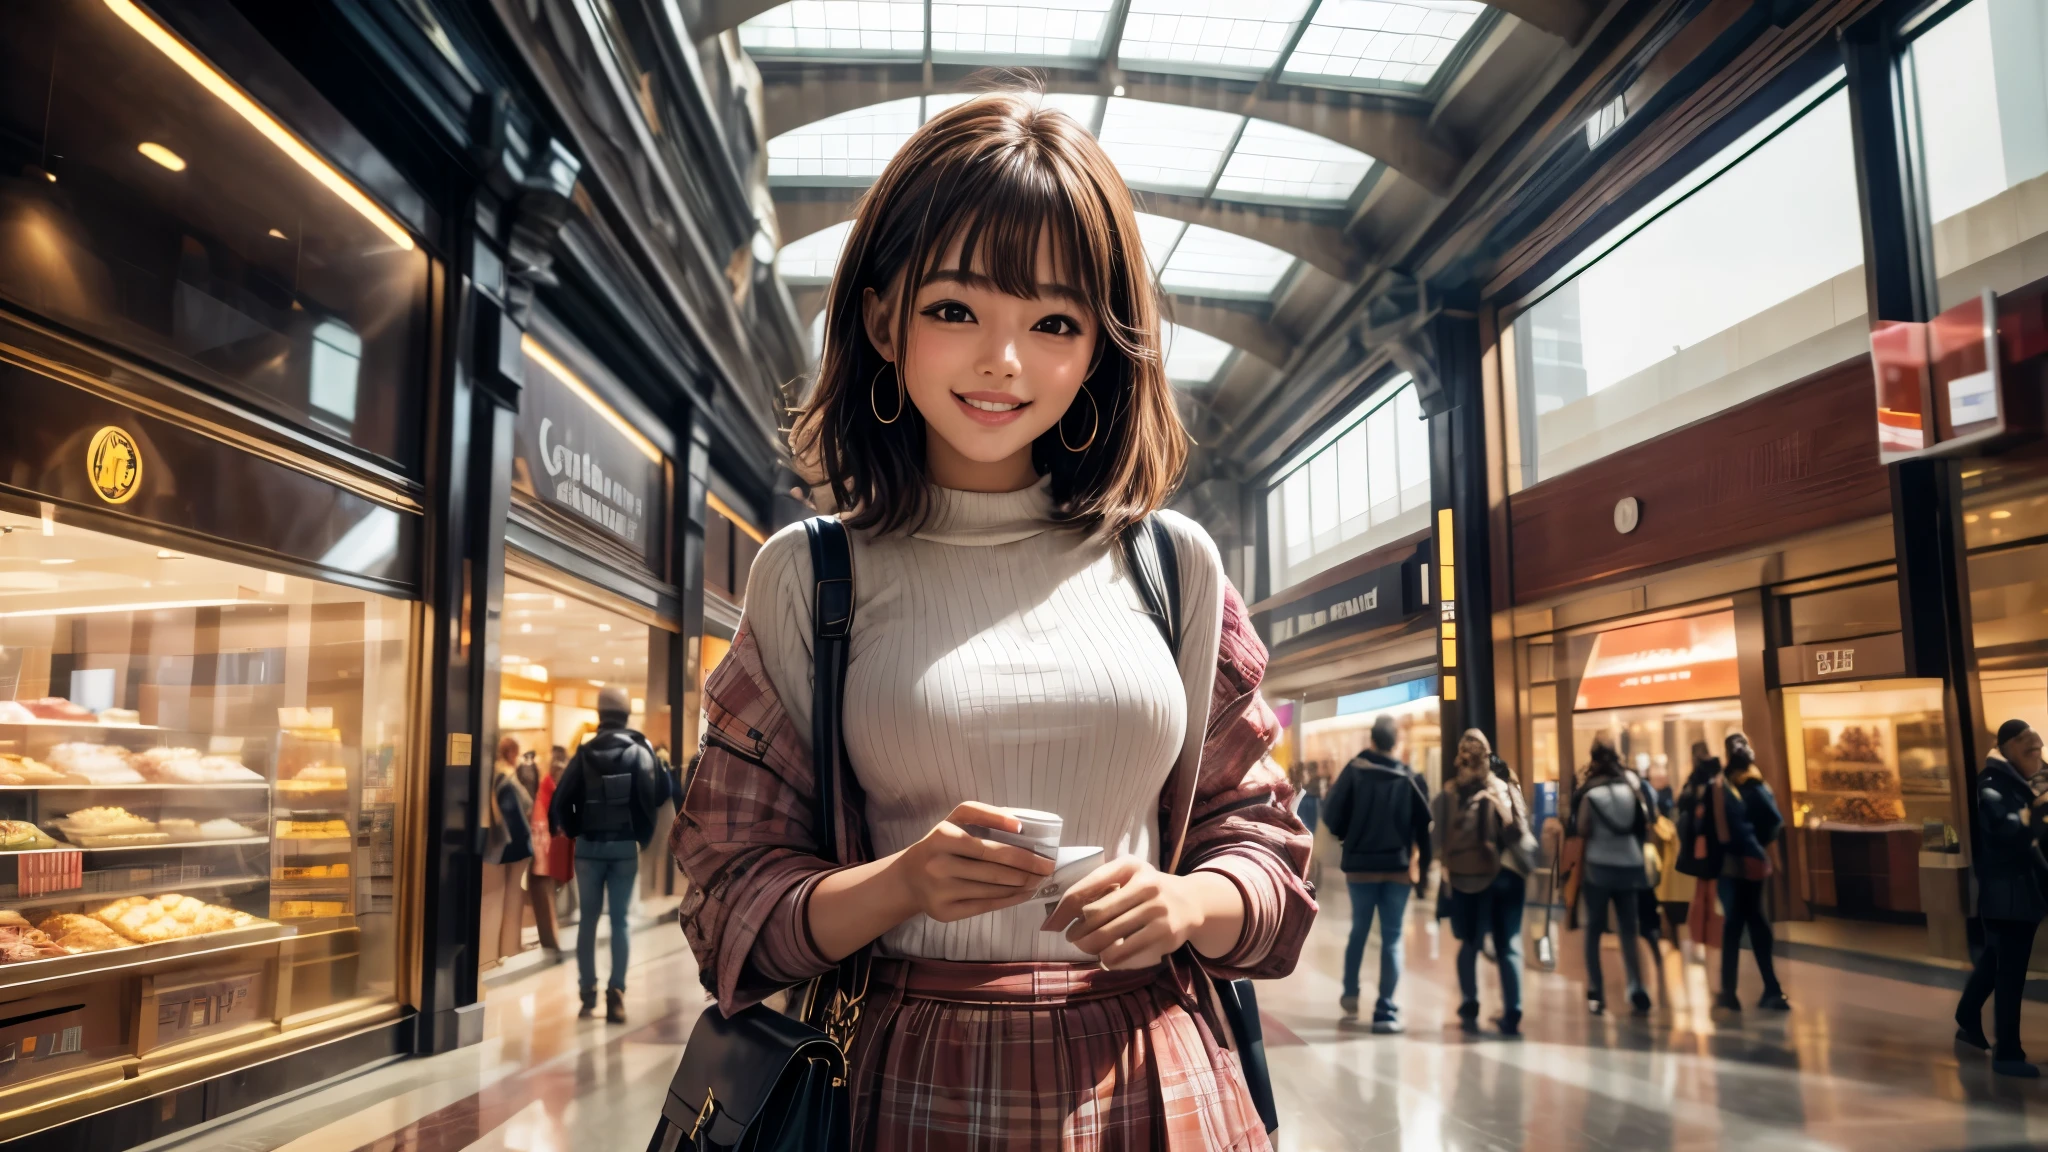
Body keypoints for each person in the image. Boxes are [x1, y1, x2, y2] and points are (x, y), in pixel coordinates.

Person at [673, 92, 1313, 1151]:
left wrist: (1188, 906)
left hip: (1157, 1073)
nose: (1003, 361)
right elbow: (726, 902)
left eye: (1054, 323)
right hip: (901, 1079)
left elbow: (1266, 850)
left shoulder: (1170, 564)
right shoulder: (808, 575)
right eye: (956, 310)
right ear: (883, 318)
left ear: (1103, 346)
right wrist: (901, 882)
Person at [550, 685, 666, 1023]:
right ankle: (616, 994)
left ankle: (587, 992)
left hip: (587, 849)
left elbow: (560, 801)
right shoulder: (640, 749)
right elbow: (656, 793)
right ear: (626, 713)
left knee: (588, 920)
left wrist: (574, 828)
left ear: (600, 715)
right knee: (620, 922)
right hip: (624, 849)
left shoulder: (584, 752)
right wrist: (641, 837)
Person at [1323, 714, 1432, 1033]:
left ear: (1371, 740)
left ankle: (1350, 993)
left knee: (1359, 930)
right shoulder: (1410, 777)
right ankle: (1385, 1010)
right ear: (1396, 742)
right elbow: (1424, 829)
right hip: (1397, 869)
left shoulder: (1355, 771)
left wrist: (1349, 835)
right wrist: (1423, 875)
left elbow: (1331, 815)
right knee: (1393, 939)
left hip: (1360, 868)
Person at [1956, 720, 2048, 1076]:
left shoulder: (2031, 779)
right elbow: (2008, 827)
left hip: (2028, 888)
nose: (2037, 756)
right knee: (2010, 972)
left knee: (1998, 960)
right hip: (2006, 891)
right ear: (2008, 747)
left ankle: (1966, 1012)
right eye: (2029, 750)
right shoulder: (1991, 784)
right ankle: (2007, 1052)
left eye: (2039, 750)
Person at [1433, 730, 1534, 1036]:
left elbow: (1437, 843)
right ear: (1488, 756)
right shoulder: (1504, 786)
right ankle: (1513, 1009)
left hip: (1468, 878)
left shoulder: (1449, 795)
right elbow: (1522, 827)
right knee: (1509, 945)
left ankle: (1470, 1001)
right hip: (1507, 876)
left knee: (1470, 943)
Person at [1567, 736, 1652, 1015]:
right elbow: (1645, 823)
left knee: (1594, 928)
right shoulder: (1632, 785)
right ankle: (1636, 986)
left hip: (1598, 867)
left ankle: (1596, 990)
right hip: (1630, 864)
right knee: (1629, 928)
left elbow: (1581, 829)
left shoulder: (1590, 793)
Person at [1712, 732, 1788, 1012]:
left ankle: (1733, 992)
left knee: (1735, 925)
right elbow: (1772, 824)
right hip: (1757, 862)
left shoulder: (1727, 784)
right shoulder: (1758, 783)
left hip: (1734, 864)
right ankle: (1769, 988)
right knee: (1755, 920)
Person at [480, 737, 534, 967]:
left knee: (492, 900)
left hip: (494, 845)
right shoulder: (506, 777)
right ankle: (508, 949)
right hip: (513, 844)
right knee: (511, 896)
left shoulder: (486, 775)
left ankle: (491, 954)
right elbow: (527, 803)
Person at [528, 743, 565, 959]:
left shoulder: (546, 787)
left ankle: (551, 941)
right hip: (544, 849)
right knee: (546, 895)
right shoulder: (550, 788)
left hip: (543, 848)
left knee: (544, 895)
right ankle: (552, 941)